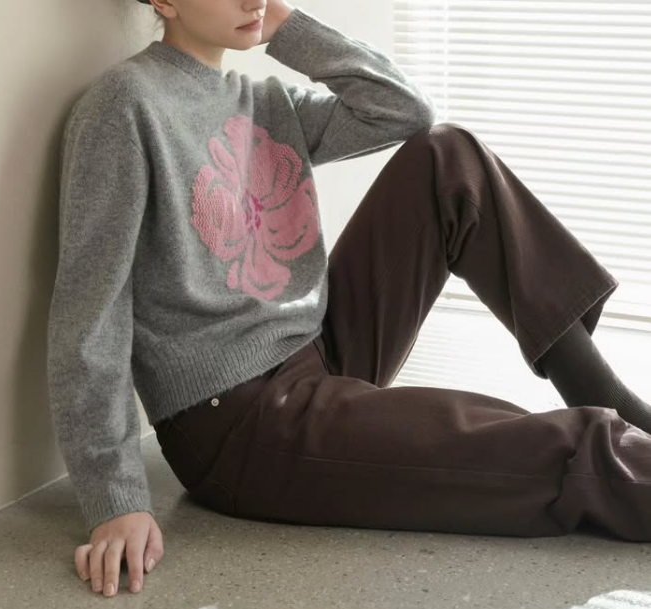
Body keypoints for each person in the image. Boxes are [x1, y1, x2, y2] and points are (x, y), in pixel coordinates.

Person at [47, 0, 651, 599]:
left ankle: (610, 396)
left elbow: (405, 110)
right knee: (569, 448)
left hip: (320, 351)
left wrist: (288, 28)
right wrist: (115, 500)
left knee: (449, 157)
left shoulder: (264, 100)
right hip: (239, 423)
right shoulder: (124, 106)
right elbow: (89, 315)